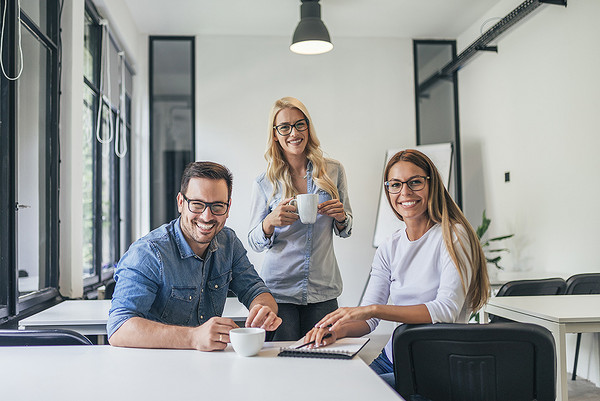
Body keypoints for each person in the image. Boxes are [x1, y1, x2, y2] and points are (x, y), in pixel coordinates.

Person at [303, 149, 490, 386]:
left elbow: (445, 311)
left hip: (438, 364)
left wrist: (373, 310)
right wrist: (335, 331)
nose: (405, 192)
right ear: (388, 189)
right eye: (395, 184)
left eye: (415, 182)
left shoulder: (453, 236)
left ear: (431, 184)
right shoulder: (389, 246)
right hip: (393, 357)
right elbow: (368, 322)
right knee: (336, 388)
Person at [108, 161, 281, 351]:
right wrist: (193, 337)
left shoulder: (228, 242)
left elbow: (256, 290)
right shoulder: (148, 252)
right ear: (181, 202)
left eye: (217, 206)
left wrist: (263, 310)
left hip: (207, 365)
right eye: (197, 204)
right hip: (155, 368)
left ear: (228, 207)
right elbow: (118, 328)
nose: (207, 217)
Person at [248, 97, 353, 341]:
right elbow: (253, 241)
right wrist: (269, 223)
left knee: (323, 359)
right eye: (284, 127)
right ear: (275, 134)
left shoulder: (333, 170)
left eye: (300, 124)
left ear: (308, 127)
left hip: (323, 290)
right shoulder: (264, 182)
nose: (293, 133)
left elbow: (346, 229)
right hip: (279, 291)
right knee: (282, 365)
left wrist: (341, 218)